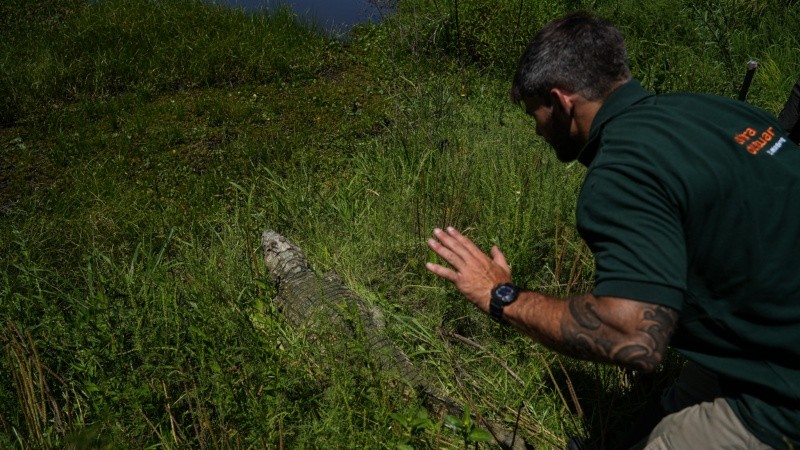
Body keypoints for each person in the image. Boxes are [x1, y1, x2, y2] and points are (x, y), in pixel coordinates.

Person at [425, 12, 800, 450]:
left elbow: (634, 337)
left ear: (561, 102)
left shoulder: (620, 173)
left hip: (784, 393)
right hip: (768, 324)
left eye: (535, 113)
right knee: (675, 402)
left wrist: (502, 297)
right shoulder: (719, 110)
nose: (536, 128)